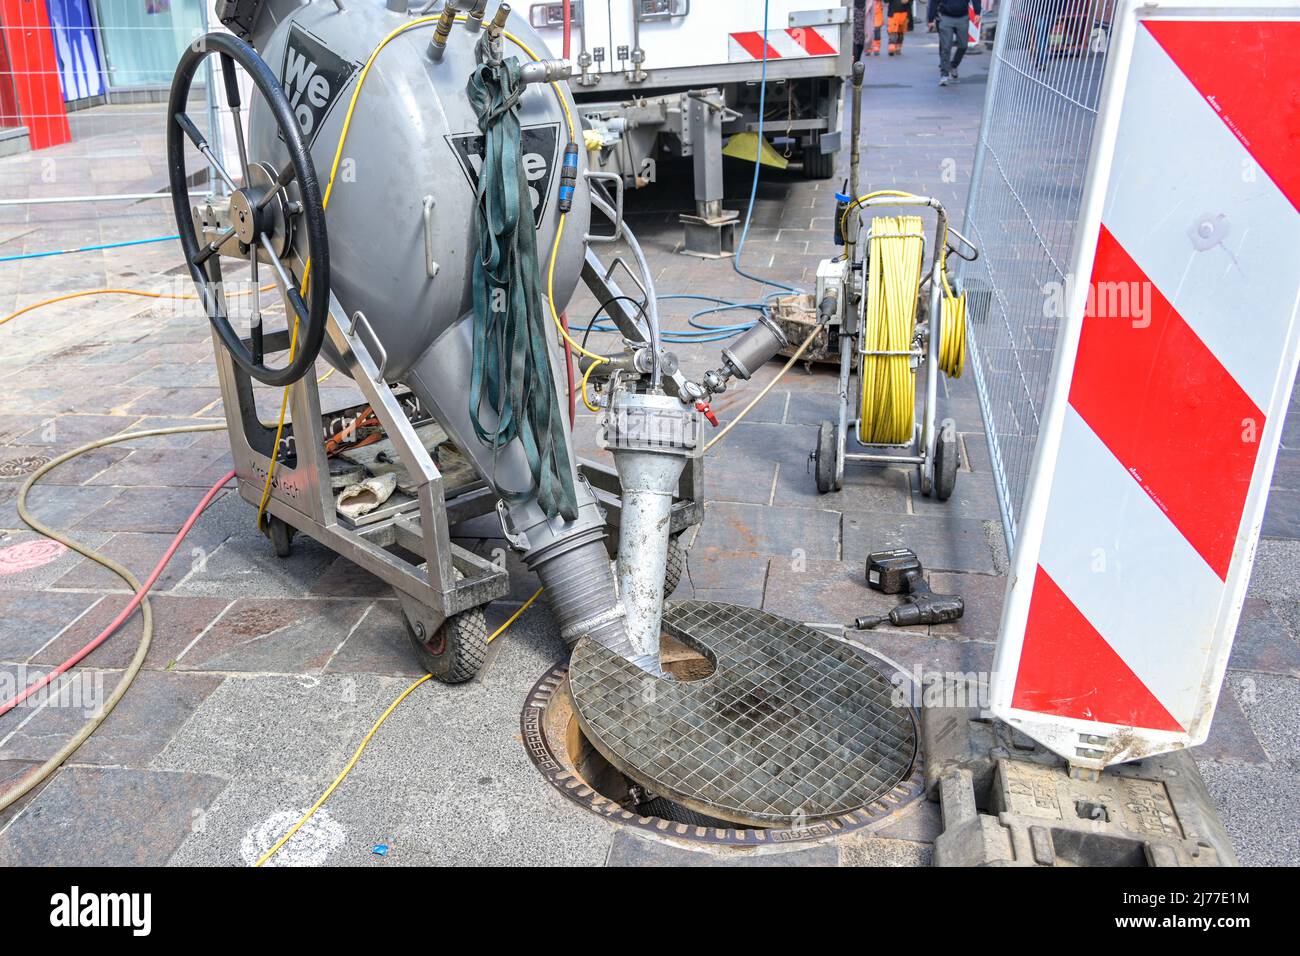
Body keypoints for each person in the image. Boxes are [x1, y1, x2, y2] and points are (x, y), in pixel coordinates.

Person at [928, 0, 980, 84]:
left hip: (963, 17)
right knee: (946, 47)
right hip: (945, 17)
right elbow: (934, 2)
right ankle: (944, 75)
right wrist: (931, 19)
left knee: (963, 45)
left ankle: (953, 65)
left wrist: (977, 12)